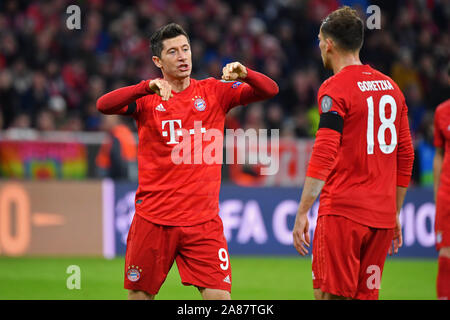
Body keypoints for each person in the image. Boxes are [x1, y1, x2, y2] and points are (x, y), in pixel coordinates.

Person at [97, 23, 278, 300]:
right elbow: (104, 105)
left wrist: (247, 74)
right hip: (154, 220)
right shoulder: (147, 99)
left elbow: (270, 90)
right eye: (173, 52)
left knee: (220, 299)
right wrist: (144, 87)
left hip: (203, 224)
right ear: (157, 61)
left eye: (186, 49)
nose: (183, 57)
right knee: (139, 297)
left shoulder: (214, 92)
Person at [292, 6, 414, 300]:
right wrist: (394, 211)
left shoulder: (335, 88)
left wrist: (303, 211)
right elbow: (405, 154)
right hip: (381, 219)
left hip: (343, 214)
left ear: (329, 44)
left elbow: (324, 153)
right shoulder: (392, 88)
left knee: (329, 296)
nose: (319, 45)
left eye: (320, 39)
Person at [433, 97, 450, 300]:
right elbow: (439, 153)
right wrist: (438, 192)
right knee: (446, 252)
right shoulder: (442, 111)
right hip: (447, 192)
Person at [95, 115, 138, 181]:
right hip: (128, 165)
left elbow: (116, 156)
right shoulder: (123, 131)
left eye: (106, 121)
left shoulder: (117, 133)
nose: (104, 123)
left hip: (115, 168)